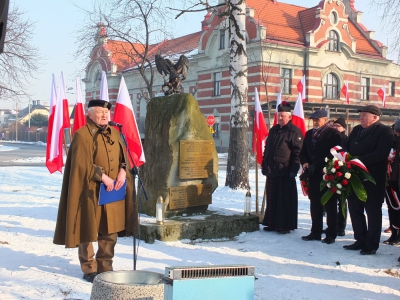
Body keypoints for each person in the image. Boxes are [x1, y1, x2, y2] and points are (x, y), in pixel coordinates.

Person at [53, 99, 135, 283]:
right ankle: (89, 267)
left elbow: (124, 158)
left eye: (106, 112)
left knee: (110, 230)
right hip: (89, 191)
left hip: (112, 192)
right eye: (100, 112)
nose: (104, 115)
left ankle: (105, 265)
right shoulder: (82, 135)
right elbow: (81, 165)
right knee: (87, 229)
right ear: (89, 114)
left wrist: (123, 170)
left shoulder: (115, 133)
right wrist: (103, 177)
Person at [343, 105, 392, 255]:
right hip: (353, 176)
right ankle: (360, 239)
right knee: (355, 209)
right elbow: (347, 146)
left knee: (372, 211)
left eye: (365, 115)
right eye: (361, 114)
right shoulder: (357, 129)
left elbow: (381, 153)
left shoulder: (384, 131)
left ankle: (371, 244)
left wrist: (358, 161)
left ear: (375, 117)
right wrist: (344, 156)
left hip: (372, 178)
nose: (361, 117)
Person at [299, 109, 341, 244]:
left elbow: (334, 153)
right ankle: (315, 231)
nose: (315, 122)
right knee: (315, 203)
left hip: (328, 173)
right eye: (313, 120)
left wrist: (316, 164)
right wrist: (305, 161)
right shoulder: (309, 133)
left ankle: (331, 233)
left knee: (330, 204)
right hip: (313, 174)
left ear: (325, 119)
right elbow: (303, 151)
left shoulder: (333, 134)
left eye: (317, 119)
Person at [261, 101, 303, 234]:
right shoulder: (274, 130)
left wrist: (293, 170)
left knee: (284, 200)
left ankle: (284, 225)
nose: (280, 118)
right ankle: (272, 223)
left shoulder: (294, 131)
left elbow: (297, 153)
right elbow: (268, 148)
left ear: (289, 117)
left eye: (283, 116)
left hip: (285, 171)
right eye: (279, 115)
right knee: (272, 198)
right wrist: (264, 164)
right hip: (272, 170)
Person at [384, 119, 400, 247]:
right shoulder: (392, 142)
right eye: (396, 131)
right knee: (392, 208)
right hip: (389, 180)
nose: (397, 134)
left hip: (397, 180)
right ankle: (394, 232)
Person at [332, 117, 348, 236]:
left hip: (342, 172)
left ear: (344, 128)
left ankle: (341, 226)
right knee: (330, 201)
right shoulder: (330, 138)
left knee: (341, 201)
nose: (335, 128)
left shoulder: (346, 140)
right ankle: (332, 225)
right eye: (334, 125)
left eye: (338, 126)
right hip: (330, 172)